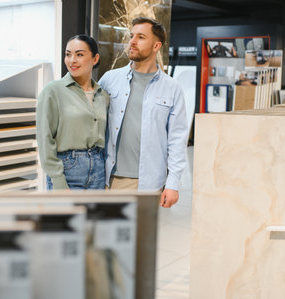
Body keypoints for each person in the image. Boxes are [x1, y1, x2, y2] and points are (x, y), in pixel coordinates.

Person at [98, 17, 188, 208]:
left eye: (140, 37)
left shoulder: (172, 88)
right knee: (106, 237)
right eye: (131, 36)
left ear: (156, 45)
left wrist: (173, 184)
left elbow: (177, 139)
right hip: (109, 179)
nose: (132, 41)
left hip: (148, 182)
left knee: (142, 237)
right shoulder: (109, 79)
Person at [36, 35, 109, 190]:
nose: (72, 60)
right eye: (68, 54)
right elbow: (45, 139)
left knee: (94, 215)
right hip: (68, 170)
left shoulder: (103, 95)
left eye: (79, 54)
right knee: (66, 215)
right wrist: (57, 179)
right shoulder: (52, 91)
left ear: (95, 59)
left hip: (98, 169)